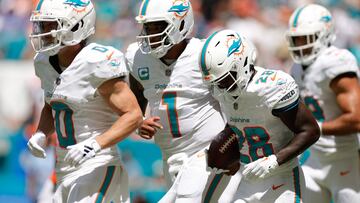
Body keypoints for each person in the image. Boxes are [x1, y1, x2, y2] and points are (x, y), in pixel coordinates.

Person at [26, 0, 143, 202]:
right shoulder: (44, 61)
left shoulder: (96, 62)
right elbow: (50, 105)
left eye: (51, 25)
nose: (44, 31)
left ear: (77, 26)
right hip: (62, 168)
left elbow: (133, 115)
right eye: (42, 25)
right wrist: (41, 133)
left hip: (97, 164)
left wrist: (94, 144)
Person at [125, 0, 241, 202]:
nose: (151, 34)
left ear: (181, 24)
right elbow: (136, 94)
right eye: (148, 27)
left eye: (158, 26)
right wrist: (139, 122)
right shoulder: (137, 58)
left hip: (209, 152)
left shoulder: (206, 55)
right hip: (170, 157)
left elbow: (237, 104)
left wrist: (229, 146)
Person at [199, 29, 320, 203]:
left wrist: (275, 160)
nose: (221, 88)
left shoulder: (273, 86)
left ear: (241, 64)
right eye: (216, 83)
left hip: (283, 180)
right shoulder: (223, 90)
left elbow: (310, 130)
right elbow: (238, 126)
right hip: (248, 180)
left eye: (225, 79)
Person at [286, 4, 360, 203]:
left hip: (345, 159)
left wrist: (315, 128)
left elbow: (356, 119)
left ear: (324, 35)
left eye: (305, 38)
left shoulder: (336, 62)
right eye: (296, 38)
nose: (299, 44)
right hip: (314, 158)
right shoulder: (296, 67)